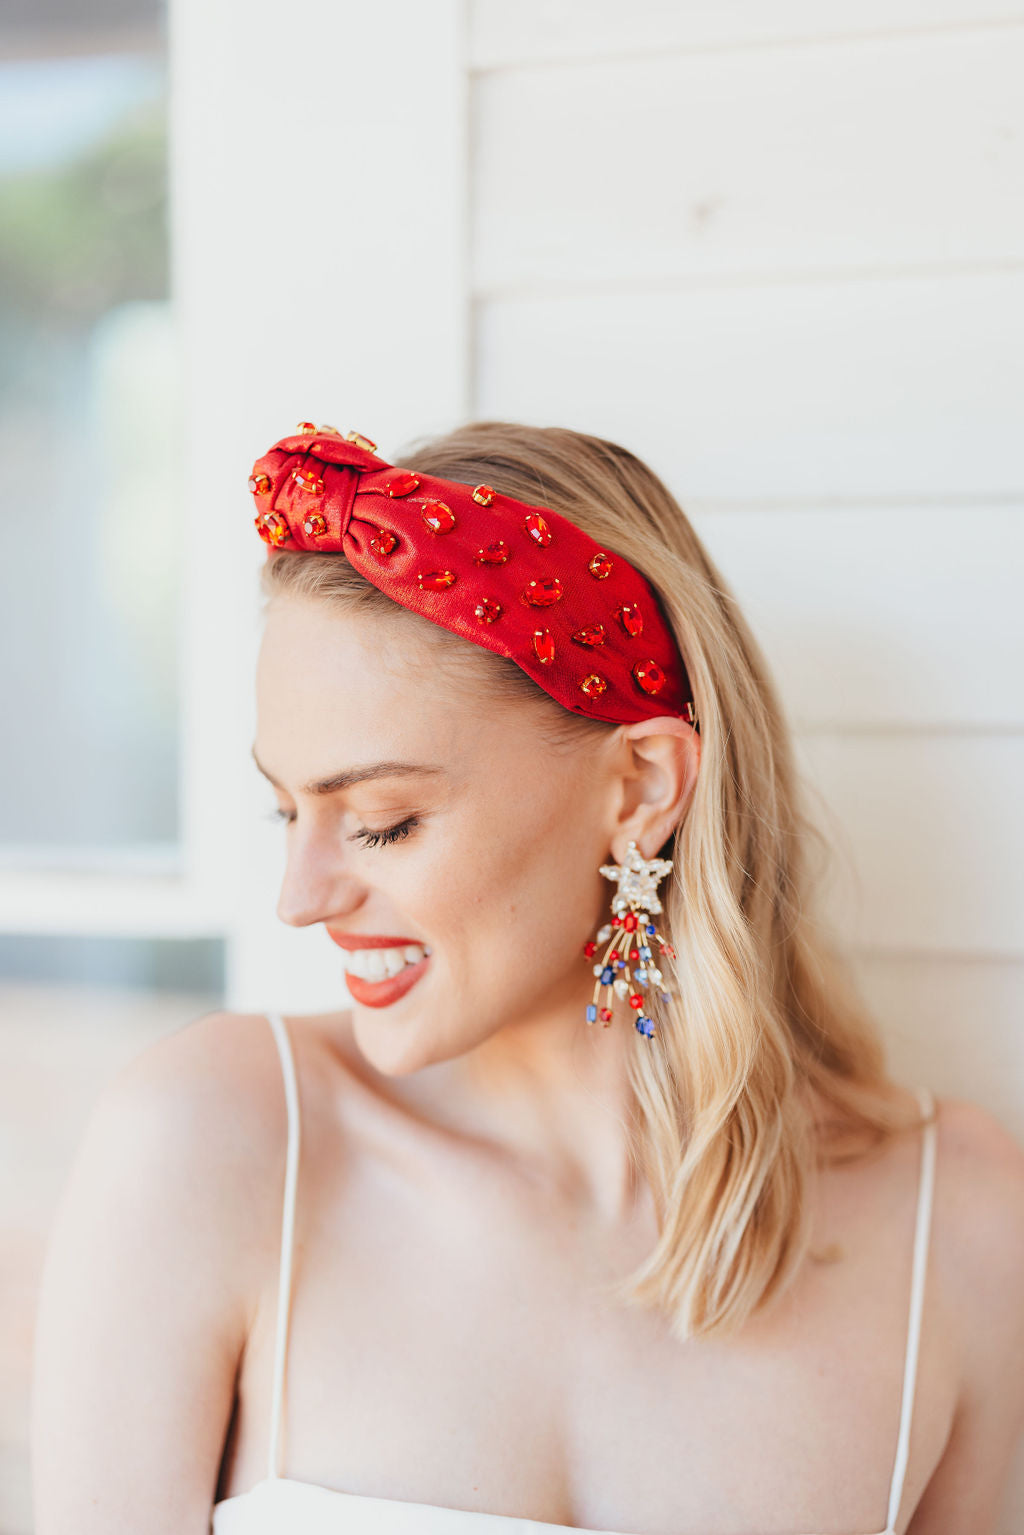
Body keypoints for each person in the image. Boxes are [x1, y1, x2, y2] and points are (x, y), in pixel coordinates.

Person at [30, 420, 1024, 1534]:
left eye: (382, 822)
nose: (299, 897)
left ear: (641, 782)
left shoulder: (962, 1215)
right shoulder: (218, 1137)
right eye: (286, 809)